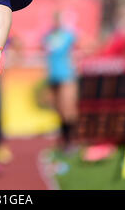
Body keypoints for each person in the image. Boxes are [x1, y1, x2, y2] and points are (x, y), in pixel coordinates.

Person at [41, 12, 78, 150]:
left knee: (68, 109)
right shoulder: (48, 36)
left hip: (66, 75)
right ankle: (64, 141)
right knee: (59, 110)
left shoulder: (68, 35)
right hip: (53, 76)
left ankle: (71, 141)